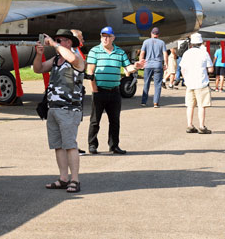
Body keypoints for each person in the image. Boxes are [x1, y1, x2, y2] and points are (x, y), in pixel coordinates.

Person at [32, 29, 86, 193]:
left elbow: (72, 58)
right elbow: (38, 69)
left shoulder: (75, 59)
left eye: (60, 40)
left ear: (69, 42)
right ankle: (63, 178)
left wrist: (54, 45)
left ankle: (75, 180)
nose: (55, 42)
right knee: (58, 146)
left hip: (69, 109)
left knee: (70, 145)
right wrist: (38, 54)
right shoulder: (56, 59)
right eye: (55, 39)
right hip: (53, 109)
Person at [87, 26, 144, 155]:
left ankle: (114, 146)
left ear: (113, 38)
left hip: (114, 91)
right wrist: (94, 90)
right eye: (103, 36)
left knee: (114, 121)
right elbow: (90, 71)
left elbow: (128, 68)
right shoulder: (94, 51)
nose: (105, 39)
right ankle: (92, 144)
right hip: (99, 91)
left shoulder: (120, 52)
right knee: (95, 120)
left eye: (108, 36)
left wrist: (136, 67)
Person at [180, 33, 213, 134]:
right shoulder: (204, 53)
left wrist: (186, 79)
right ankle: (202, 126)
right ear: (201, 43)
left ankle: (190, 125)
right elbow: (211, 69)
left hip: (190, 83)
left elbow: (182, 69)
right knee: (201, 106)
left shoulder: (187, 53)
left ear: (191, 43)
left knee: (190, 105)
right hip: (201, 82)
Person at [139, 27, 167, 107]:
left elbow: (142, 53)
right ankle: (155, 103)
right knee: (157, 84)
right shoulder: (162, 42)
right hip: (158, 65)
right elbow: (165, 54)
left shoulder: (146, 42)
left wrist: (141, 62)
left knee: (146, 83)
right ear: (158, 34)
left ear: (151, 33)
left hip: (148, 65)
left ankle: (143, 102)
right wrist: (166, 64)